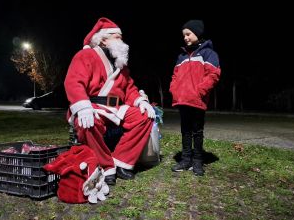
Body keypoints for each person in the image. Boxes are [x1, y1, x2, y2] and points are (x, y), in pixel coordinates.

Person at [64, 17, 156, 185]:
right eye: (117, 37)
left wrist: (141, 102)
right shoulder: (85, 55)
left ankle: (121, 162)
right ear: (103, 40)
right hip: (92, 106)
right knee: (87, 123)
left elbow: (129, 89)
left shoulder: (121, 65)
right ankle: (106, 166)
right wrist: (82, 106)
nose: (122, 41)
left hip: (116, 108)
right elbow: (73, 82)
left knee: (144, 117)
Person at [169, 19, 221, 176]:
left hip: (197, 100)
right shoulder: (182, 56)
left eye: (188, 34)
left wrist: (200, 91)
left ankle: (198, 161)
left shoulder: (209, 53)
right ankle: (185, 160)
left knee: (197, 131)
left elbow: (213, 74)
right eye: (183, 35)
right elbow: (175, 76)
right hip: (182, 100)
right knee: (185, 130)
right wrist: (174, 90)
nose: (185, 38)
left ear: (197, 33)